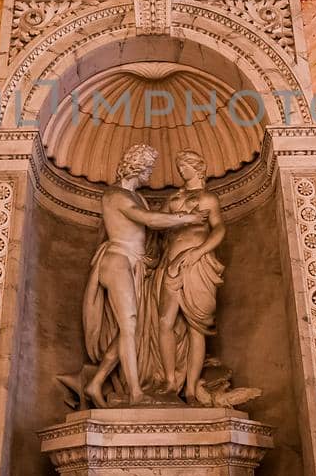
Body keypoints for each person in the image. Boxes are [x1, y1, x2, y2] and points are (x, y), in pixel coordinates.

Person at [83, 144, 202, 408]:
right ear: (137, 167)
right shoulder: (115, 195)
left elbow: (147, 226)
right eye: (148, 168)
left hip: (135, 264)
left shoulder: (139, 197)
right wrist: (185, 218)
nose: (151, 174)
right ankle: (136, 393)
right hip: (117, 260)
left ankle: (95, 383)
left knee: (130, 330)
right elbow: (149, 221)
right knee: (129, 325)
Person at [146, 149, 227, 403]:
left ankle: (191, 388)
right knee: (164, 321)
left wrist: (199, 252)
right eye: (180, 165)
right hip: (169, 264)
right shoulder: (173, 199)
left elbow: (219, 229)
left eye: (186, 165)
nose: (182, 169)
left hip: (198, 265)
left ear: (198, 167)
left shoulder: (208, 198)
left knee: (197, 327)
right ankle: (170, 381)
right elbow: (155, 225)